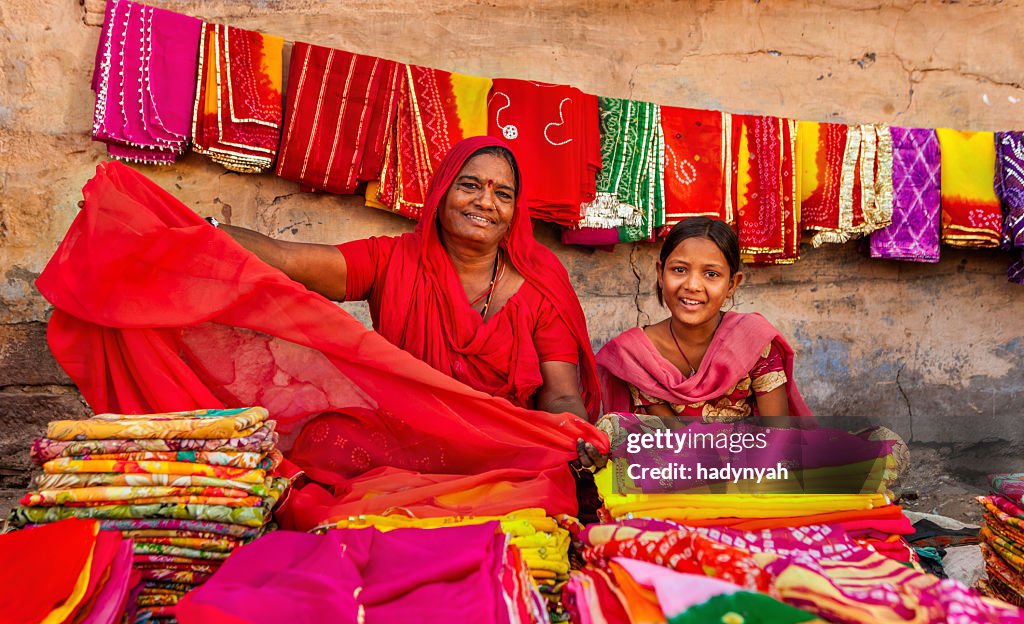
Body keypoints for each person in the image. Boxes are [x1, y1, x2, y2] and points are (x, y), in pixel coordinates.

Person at [217, 135, 606, 466]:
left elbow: (561, 394)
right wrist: (197, 230)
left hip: (501, 448)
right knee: (321, 444)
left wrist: (576, 434)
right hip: (406, 441)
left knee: (548, 476)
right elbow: (288, 259)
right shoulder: (392, 261)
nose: (486, 203)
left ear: (514, 211)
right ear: (442, 192)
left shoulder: (539, 282)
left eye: (502, 193)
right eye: (470, 186)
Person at [596, 217, 812, 419]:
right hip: (675, 457)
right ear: (660, 274)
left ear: (732, 284)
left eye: (711, 274)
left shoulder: (753, 341)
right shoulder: (636, 354)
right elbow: (674, 439)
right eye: (679, 270)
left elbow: (777, 436)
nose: (692, 285)